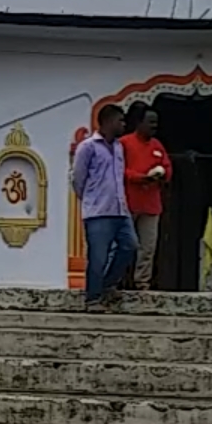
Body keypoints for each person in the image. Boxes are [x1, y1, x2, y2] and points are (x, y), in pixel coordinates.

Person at [70, 104, 136, 306]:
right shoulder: (88, 147)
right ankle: (93, 298)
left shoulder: (118, 147)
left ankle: (107, 284)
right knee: (98, 257)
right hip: (98, 211)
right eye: (120, 120)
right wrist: (91, 198)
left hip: (119, 209)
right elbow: (77, 178)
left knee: (130, 246)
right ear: (108, 121)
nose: (123, 124)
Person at [120, 103, 173, 292]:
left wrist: (162, 176)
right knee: (125, 245)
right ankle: (118, 281)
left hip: (151, 205)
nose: (154, 126)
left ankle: (142, 283)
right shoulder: (125, 143)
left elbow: (167, 167)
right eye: (150, 122)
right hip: (128, 203)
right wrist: (141, 178)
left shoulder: (157, 146)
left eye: (156, 123)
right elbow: (120, 170)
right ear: (139, 122)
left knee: (148, 247)